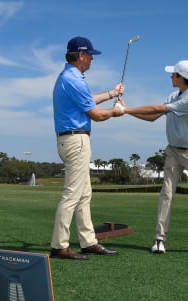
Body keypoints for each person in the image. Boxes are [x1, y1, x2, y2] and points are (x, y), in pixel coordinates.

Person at [116, 60, 188, 256]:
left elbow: (155, 109)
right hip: (173, 152)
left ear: (181, 78)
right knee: (166, 194)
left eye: (173, 74)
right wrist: (128, 111)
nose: (170, 77)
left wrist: (125, 110)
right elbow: (152, 117)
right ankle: (159, 239)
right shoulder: (173, 96)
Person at [50, 36, 126, 260]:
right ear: (81, 56)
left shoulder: (69, 77)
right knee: (72, 195)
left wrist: (112, 94)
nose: (92, 58)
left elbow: (89, 99)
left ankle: (88, 241)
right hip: (76, 140)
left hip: (71, 139)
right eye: (90, 55)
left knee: (84, 194)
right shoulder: (74, 80)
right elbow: (96, 114)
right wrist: (116, 111)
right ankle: (59, 245)